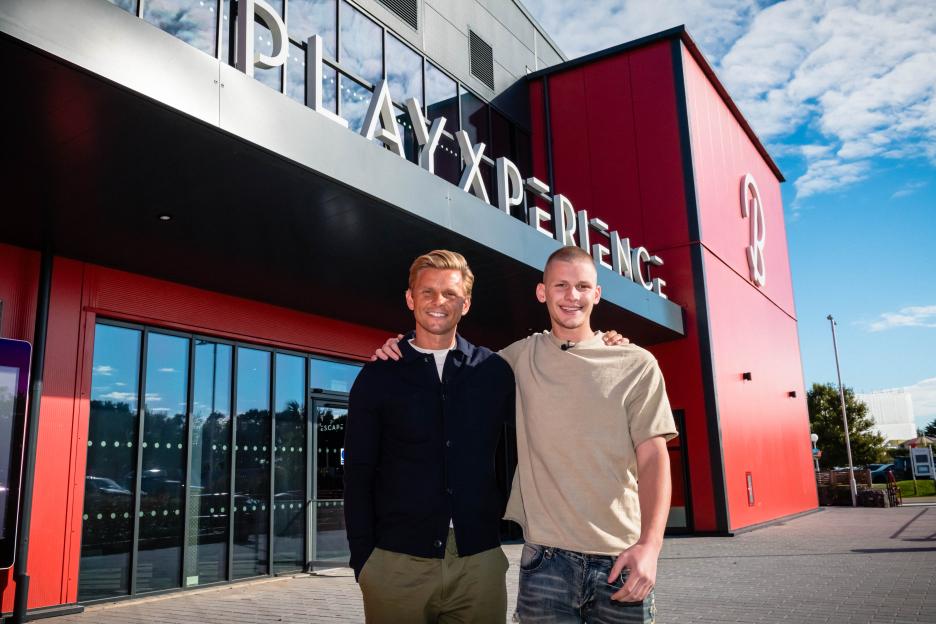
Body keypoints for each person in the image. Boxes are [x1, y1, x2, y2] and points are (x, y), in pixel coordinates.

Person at [376, 245, 676, 623]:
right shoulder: (515, 360)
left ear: (597, 295)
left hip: (621, 558)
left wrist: (651, 546)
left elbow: (654, 458)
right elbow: (448, 355)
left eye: (583, 286)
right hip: (545, 563)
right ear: (542, 291)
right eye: (561, 285)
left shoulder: (636, 363)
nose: (572, 296)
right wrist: (402, 346)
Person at [343, 250, 515, 623]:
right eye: (428, 292)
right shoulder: (379, 376)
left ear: (465, 304)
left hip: (479, 565)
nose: (439, 302)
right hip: (395, 566)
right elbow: (358, 472)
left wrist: (604, 339)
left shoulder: (493, 372)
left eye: (450, 294)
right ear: (410, 298)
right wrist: (364, 563)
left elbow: (517, 450)